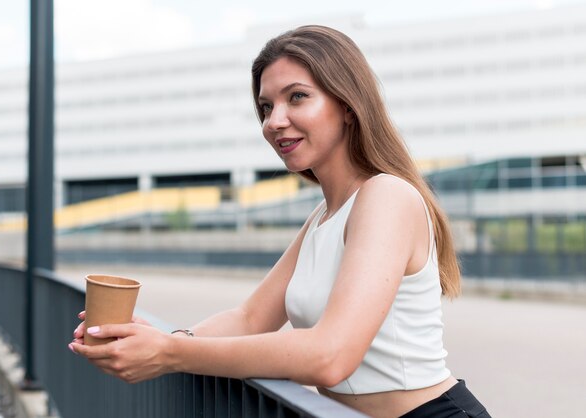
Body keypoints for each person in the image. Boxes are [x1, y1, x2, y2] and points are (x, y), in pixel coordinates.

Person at [69, 25, 491, 418]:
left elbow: (331, 355)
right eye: (266, 106)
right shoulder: (323, 217)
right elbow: (251, 318)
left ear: (347, 105)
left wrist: (170, 355)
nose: (274, 122)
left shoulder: (387, 196)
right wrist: (168, 339)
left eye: (297, 97)